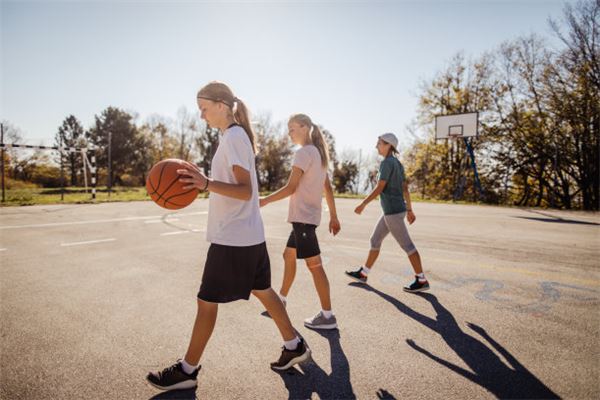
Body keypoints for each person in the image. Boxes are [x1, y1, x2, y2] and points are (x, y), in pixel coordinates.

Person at [146, 82, 310, 392]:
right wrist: (205, 183)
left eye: (204, 107)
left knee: (206, 301)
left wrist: (206, 183)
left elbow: (244, 190)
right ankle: (294, 345)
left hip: (233, 238)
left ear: (222, 105)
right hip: (247, 233)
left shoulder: (234, 137)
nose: (201, 114)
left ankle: (187, 370)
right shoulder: (232, 136)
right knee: (263, 290)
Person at [260, 114, 341, 330]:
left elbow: (291, 187)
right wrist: (333, 216)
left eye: (292, 128)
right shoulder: (318, 154)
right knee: (289, 255)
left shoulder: (304, 153)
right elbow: (328, 188)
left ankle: (327, 316)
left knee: (315, 266)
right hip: (305, 220)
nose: (289, 133)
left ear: (305, 128)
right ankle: (282, 300)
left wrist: (264, 201)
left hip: (303, 220)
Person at [345, 133, 429, 293]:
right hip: (396, 210)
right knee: (375, 240)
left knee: (408, 246)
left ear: (388, 145)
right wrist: (410, 209)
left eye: (379, 143)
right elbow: (405, 188)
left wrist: (363, 204)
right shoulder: (397, 163)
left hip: (393, 212)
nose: (376, 146)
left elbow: (379, 188)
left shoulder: (386, 164)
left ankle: (421, 279)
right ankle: (363, 273)